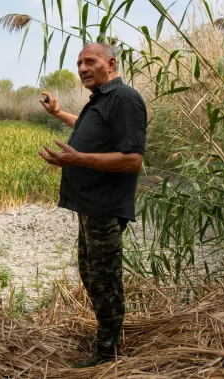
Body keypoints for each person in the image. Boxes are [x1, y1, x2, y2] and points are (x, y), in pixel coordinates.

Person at [38, 42, 147, 368]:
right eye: (79, 63)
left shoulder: (125, 100)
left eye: (90, 61)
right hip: (90, 207)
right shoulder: (101, 100)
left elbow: (133, 160)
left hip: (105, 207)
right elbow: (90, 131)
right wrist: (58, 113)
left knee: (104, 279)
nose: (83, 68)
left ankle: (107, 353)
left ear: (110, 64)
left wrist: (78, 158)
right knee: (91, 273)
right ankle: (107, 335)